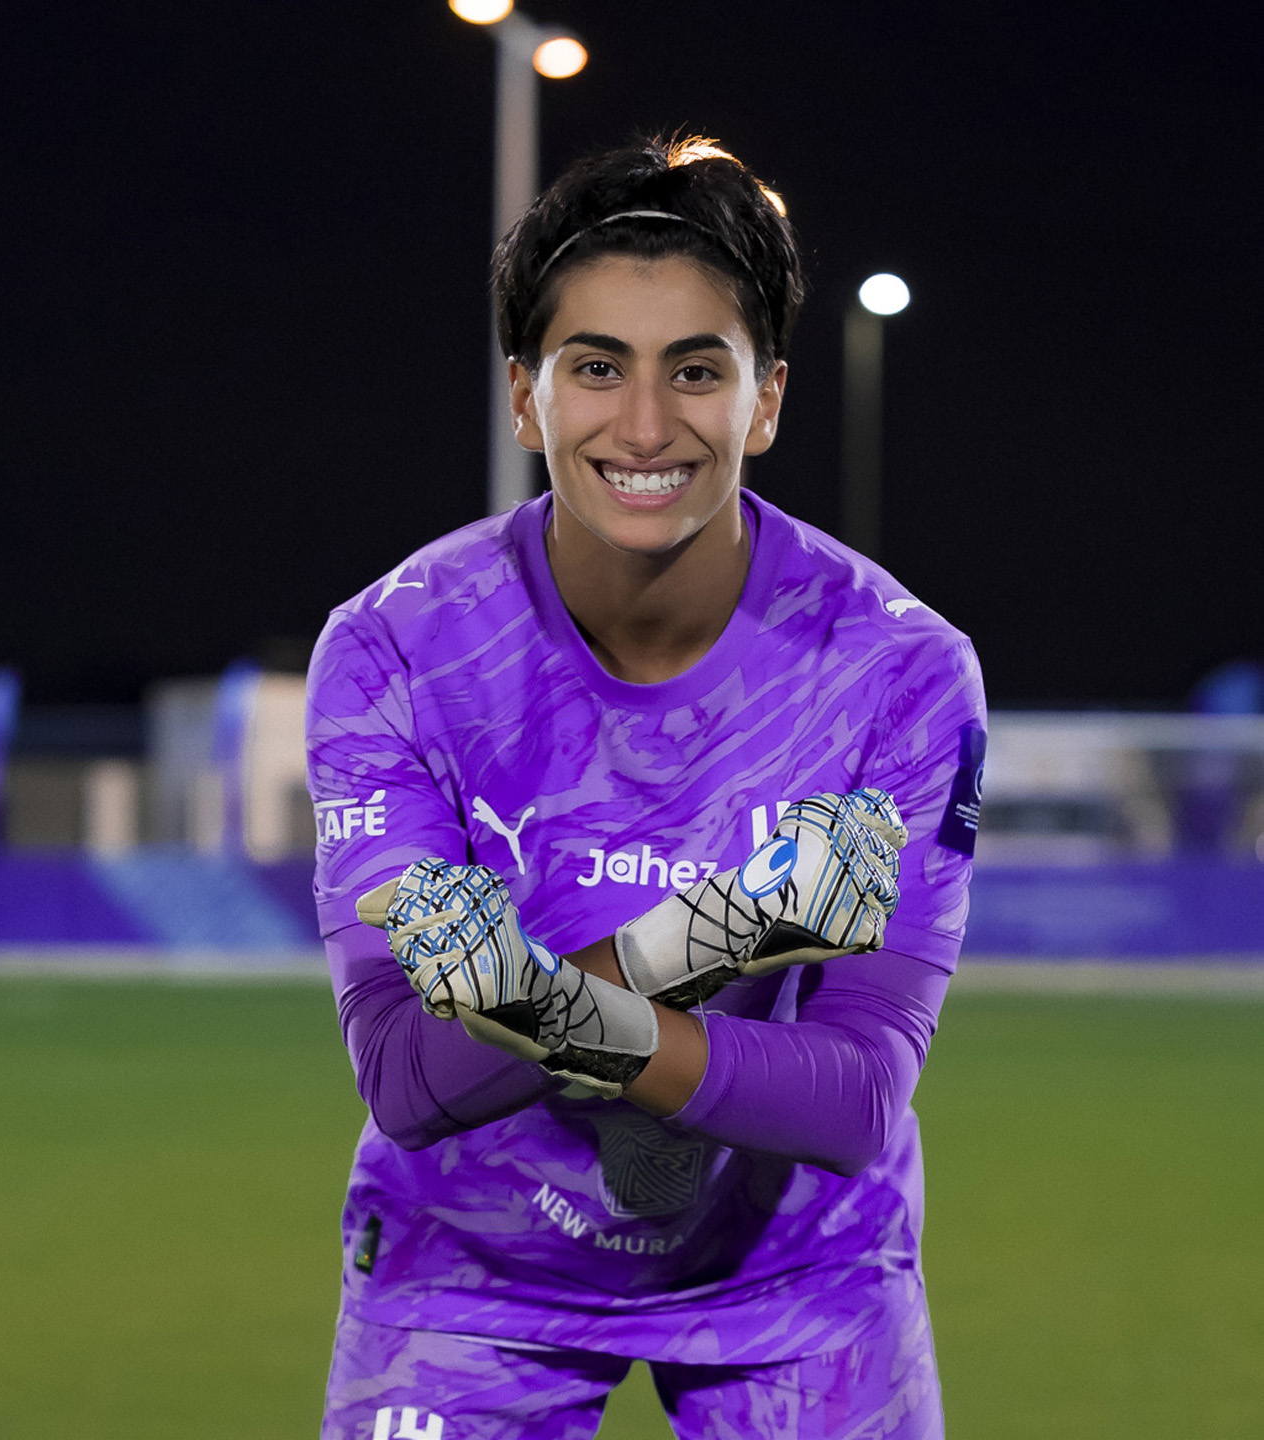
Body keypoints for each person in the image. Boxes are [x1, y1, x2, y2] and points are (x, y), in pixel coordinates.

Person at [306, 134, 987, 1440]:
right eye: (596, 366)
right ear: (525, 397)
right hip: (469, 1272)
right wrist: (721, 934)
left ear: (765, 400)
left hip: (798, 1278)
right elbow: (408, 1076)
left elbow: (851, 1099)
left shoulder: (896, 670)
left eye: (696, 370)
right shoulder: (400, 646)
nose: (643, 427)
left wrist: (529, 997)